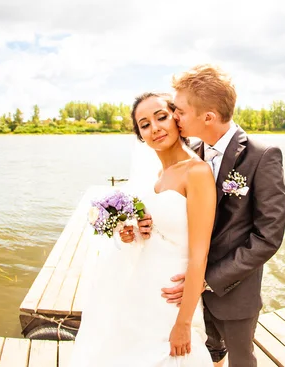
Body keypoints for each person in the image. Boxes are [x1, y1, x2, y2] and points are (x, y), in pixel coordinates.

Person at [137, 65, 285, 367]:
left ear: (207, 117)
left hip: (232, 290)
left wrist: (206, 280)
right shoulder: (189, 151)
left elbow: (268, 238)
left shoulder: (262, 156)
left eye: (178, 111)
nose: (173, 116)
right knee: (206, 357)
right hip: (183, 288)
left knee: (241, 361)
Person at [68, 92, 216, 366]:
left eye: (161, 117)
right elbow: (154, 229)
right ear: (140, 135)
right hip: (140, 284)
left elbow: (200, 255)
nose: (155, 128)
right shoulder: (155, 176)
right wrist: (134, 232)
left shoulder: (197, 172)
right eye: (144, 124)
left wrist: (183, 322)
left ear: (177, 118)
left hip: (172, 294)